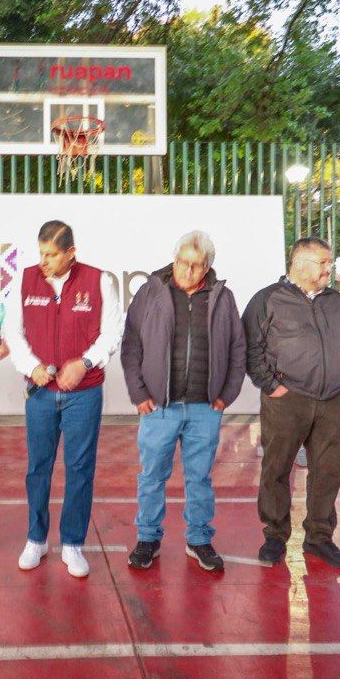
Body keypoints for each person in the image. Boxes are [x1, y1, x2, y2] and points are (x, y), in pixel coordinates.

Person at [1, 221, 122, 578]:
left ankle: (72, 544)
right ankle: (36, 539)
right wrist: (32, 366)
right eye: (41, 253)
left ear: (71, 253)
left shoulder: (99, 281)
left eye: (52, 254)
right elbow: (13, 332)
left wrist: (84, 364)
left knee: (80, 468)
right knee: (38, 468)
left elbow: (112, 331)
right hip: (40, 393)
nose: (44, 261)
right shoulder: (24, 281)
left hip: (83, 394)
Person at [121, 231, 247, 573]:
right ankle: (148, 538)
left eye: (195, 265)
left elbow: (238, 348)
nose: (187, 271)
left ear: (207, 266)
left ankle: (200, 539)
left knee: (200, 477)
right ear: (174, 260)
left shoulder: (223, 297)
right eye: (182, 263)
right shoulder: (150, 292)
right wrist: (139, 392)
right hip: (159, 407)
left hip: (206, 407)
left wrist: (227, 394)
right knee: (151, 476)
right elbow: (131, 343)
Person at [243, 237, 340, 569]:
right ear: (299, 263)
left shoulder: (338, 302)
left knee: (328, 472)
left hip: (333, 402)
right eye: (323, 262)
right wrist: (272, 386)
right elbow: (252, 349)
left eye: (329, 262)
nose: (329, 268)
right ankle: (275, 536)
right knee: (277, 469)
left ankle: (320, 538)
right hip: (287, 400)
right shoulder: (267, 300)